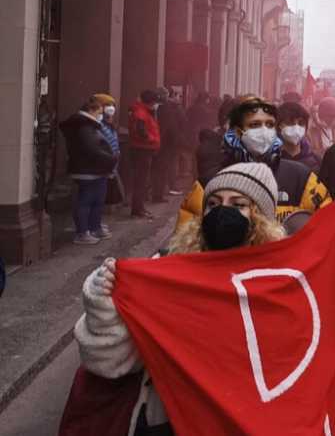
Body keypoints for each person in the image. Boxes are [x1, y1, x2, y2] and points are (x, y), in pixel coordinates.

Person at [69, 163, 287, 435]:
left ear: (261, 219)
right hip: (167, 422)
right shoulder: (169, 273)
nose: (222, 211)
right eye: (214, 203)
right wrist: (103, 303)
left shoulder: (277, 290)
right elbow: (107, 362)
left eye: (239, 204)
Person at [175, 97, 329, 230]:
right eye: (254, 125)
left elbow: (327, 225)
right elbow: (186, 239)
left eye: (269, 125)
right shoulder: (210, 182)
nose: (263, 131)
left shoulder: (301, 177)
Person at [60, 95, 121, 245]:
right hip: (87, 169)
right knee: (86, 200)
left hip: (94, 169)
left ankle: (94, 227)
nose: (101, 115)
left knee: (97, 199)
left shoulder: (88, 125)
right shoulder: (85, 126)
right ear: (91, 110)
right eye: (99, 112)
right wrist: (111, 159)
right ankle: (83, 232)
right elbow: (92, 149)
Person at [126, 89, 162, 219]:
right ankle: (137, 209)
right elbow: (141, 133)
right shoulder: (141, 113)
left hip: (144, 149)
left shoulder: (144, 111)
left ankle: (139, 208)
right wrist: (152, 139)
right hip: (142, 150)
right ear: (150, 102)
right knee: (141, 181)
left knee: (142, 180)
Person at [150, 88, 185, 202]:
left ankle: (156, 193)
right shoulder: (167, 108)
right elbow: (169, 127)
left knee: (159, 169)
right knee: (162, 169)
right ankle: (157, 195)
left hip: (161, 143)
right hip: (164, 144)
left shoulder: (161, 108)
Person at [278, 101, 321, 171]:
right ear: (278, 126)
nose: (296, 127)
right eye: (290, 123)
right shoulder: (269, 161)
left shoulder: (317, 161)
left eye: (301, 123)